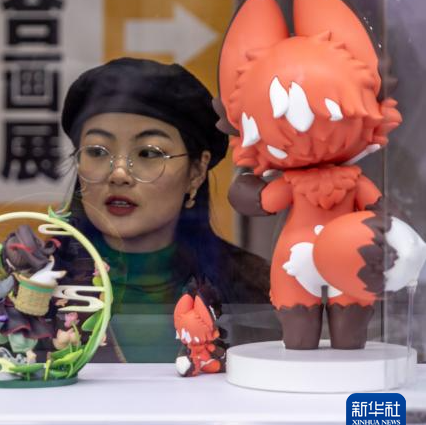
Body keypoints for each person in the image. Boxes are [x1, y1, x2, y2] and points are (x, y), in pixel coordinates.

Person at [56, 57, 272, 362]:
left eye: (148, 153)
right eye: (96, 151)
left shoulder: (255, 287)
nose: (118, 173)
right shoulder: (35, 281)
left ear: (197, 171)